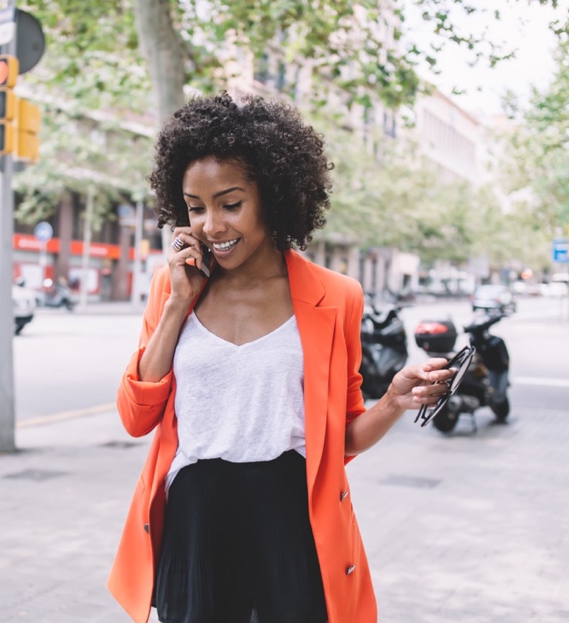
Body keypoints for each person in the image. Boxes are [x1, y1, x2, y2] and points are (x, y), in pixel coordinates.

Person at [106, 93, 454, 623]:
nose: (211, 226)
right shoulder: (171, 289)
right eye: (195, 208)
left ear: (271, 195)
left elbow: (339, 441)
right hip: (196, 519)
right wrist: (178, 303)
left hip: (292, 519)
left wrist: (392, 402)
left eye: (230, 203)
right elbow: (136, 418)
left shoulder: (336, 296)